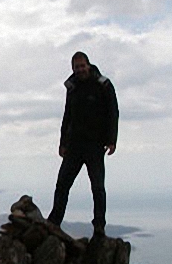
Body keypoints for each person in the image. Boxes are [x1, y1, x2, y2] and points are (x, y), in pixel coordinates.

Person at [47, 51, 119, 238]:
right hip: (74, 146)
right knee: (62, 184)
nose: (80, 69)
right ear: (73, 69)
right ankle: (54, 221)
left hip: (95, 146)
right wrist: (62, 143)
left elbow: (113, 112)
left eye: (82, 66)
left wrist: (111, 140)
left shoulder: (103, 85)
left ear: (88, 64)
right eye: (76, 67)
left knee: (97, 187)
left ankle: (99, 225)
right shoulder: (72, 88)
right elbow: (67, 116)